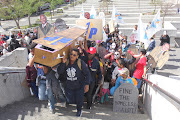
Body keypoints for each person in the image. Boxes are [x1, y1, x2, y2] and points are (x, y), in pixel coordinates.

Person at [57, 48, 90, 117]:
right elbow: (60, 72)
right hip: (69, 86)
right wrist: (63, 63)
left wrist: (87, 84)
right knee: (70, 100)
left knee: (79, 100)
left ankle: (79, 110)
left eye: (74, 55)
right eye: (71, 54)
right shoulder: (66, 62)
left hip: (79, 86)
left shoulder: (80, 63)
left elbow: (87, 73)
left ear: (77, 56)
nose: (72, 56)